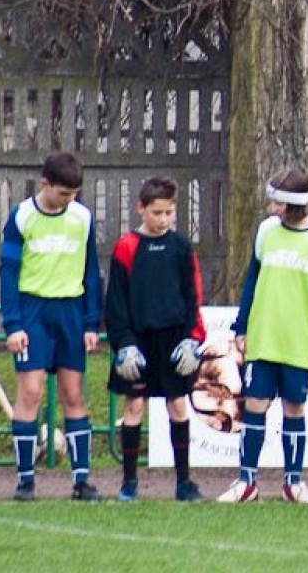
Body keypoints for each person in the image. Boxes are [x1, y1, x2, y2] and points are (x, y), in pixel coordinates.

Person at [216, 170, 308, 503]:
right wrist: (241, 326)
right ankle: (247, 482)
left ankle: (293, 483)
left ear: (293, 204)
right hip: (264, 336)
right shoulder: (266, 231)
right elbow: (252, 280)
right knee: (255, 404)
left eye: (277, 202)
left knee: (294, 407)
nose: (272, 208)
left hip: (299, 339)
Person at [1, 152, 103, 502]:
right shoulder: (22, 217)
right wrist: (13, 324)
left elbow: (91, 271)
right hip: (33, 311)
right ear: (45, 184)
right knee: (30, 392)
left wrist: (91, 322)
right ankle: (25, 481)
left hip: (70, 312)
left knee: (73, 394)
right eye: (63, 193)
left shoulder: (82, 218)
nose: (69, 199)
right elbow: (8, 271)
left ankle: (81, 481)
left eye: (74, 193)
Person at [104, 176, 211, 502]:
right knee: (134, 405)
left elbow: (193, 296)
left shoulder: (181, 247)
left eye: (168, 213)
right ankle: (129, 483)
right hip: (137, 340)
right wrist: (123, 343)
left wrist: (192, 339)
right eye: (157, 213)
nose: (163, 219)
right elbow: (116, 301)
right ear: (141, 208)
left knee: (177, 404)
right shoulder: (126, 247)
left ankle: (184, 482)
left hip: (173, 339)